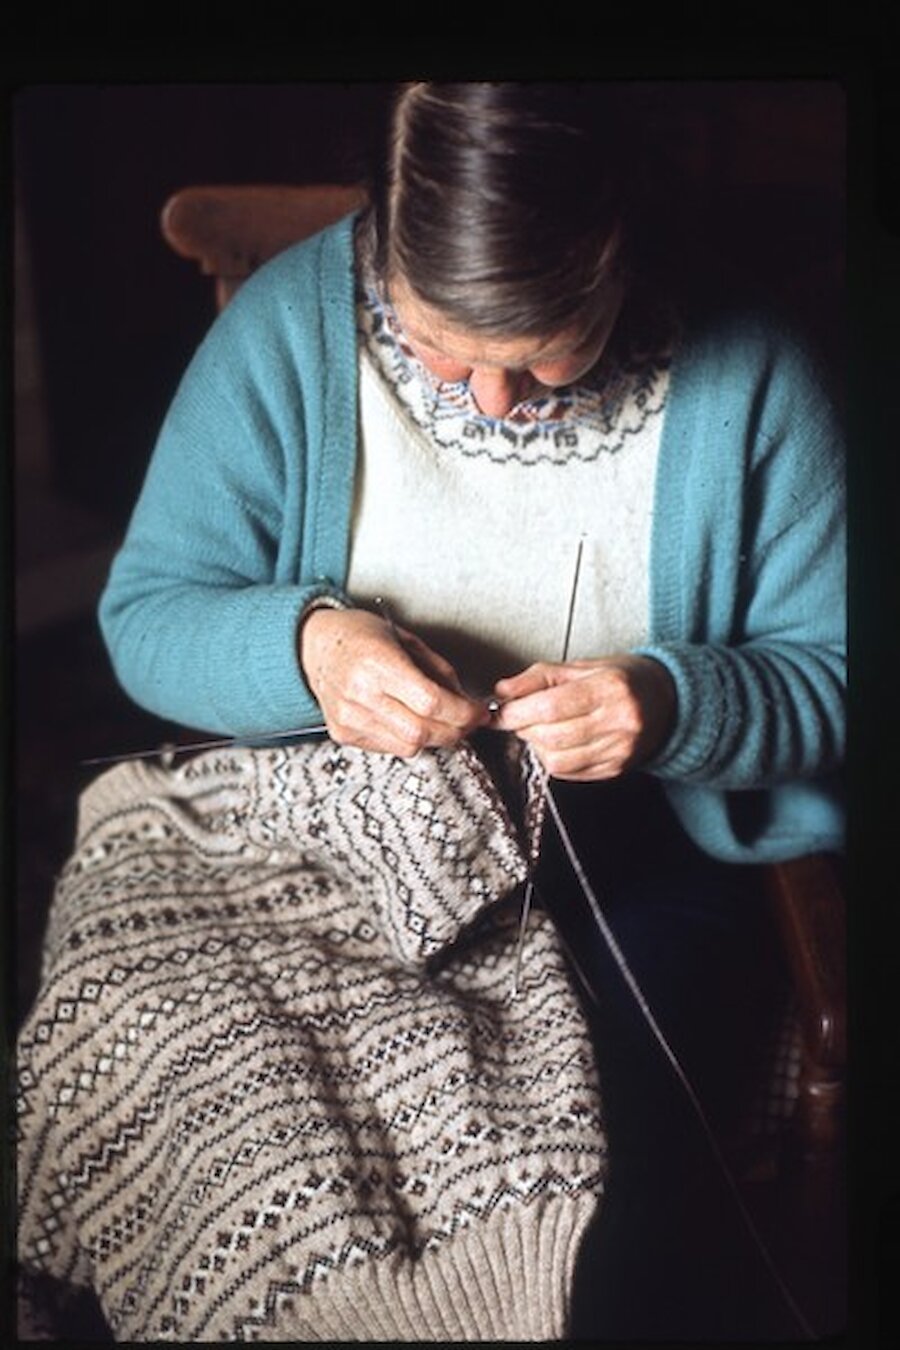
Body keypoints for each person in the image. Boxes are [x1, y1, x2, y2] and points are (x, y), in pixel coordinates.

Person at [19, 82, 845, 1342]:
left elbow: (840, 672)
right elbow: (149, 617)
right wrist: (305, 646)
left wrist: (674, 699)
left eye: (546, 349)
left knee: (581, 1231)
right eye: (443, 351)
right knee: (192, 1107)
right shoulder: (295, 326)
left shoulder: (752, 369)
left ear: (618, 253)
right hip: (316, 838)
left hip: (638, 860)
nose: (493, 399)